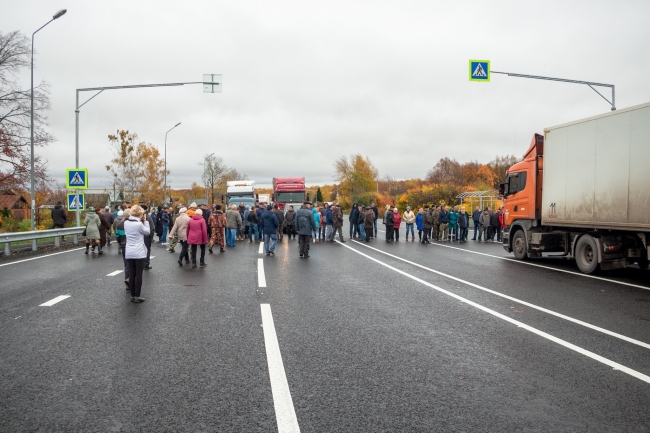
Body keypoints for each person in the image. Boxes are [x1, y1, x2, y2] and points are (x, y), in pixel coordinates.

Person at [124, 205, 150, 303]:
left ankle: (132, 295)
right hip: (139, 252)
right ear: (140, 214)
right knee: (138, 274)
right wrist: (146, 221)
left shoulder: (126, 222)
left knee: (131, 273)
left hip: (129, 251)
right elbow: (147, 232)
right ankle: (137, 295)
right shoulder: (139, 224)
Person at [114, 209, 130, 286]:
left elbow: (117, 236)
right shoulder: (135, 224)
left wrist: (121, 244)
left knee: (126, 264)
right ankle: (132, 280)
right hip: (133, 246)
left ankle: (127, 279)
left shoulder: (120, 225)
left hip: (124, 246)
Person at [140, 205, 155, 270]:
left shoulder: (137, 217)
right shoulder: (148, 217)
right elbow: (152, 227)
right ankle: (146, 264)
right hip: (146, 236)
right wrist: (151, 237)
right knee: (147, 250)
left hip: (139, 236)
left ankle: (140, 264)